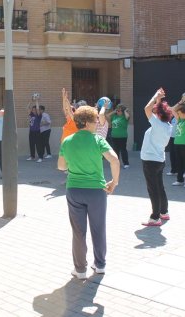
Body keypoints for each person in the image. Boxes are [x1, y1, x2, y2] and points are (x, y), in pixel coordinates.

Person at [58, 105, 120, 280]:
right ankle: (100, 265)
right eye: (94, 121)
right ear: (86, 122)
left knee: (78, 231)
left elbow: (61, 166)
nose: (96, 124)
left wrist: (75, 163)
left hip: (74, 189)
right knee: (98, 228)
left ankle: (80, 269)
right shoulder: (98, 140)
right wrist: (114, 182)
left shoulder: (67, 141)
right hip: (97, 191)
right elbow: (114, 160)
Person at [140, 88, 173, 226]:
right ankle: (163, 212)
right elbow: (154, 110)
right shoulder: (168, 125)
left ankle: (155, 217)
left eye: (156, 111)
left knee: (153, 189)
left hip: (150, 161)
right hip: (159, 160)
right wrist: (159, 100)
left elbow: (146, 108)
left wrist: (155, 96)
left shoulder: (157, 124)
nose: (154, 112)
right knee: (159, 187)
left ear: (158, 115)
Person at [107, 104, 130, 168]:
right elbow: (107, 115)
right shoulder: (114, 116)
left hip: (122, 136)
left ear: (122, 111)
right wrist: (114, 111)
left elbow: (128, 116)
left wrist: (125, 111)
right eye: (117, 110)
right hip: (114, 136)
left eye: (119, 111)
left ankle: (126, 163)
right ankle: (116, 163)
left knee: (123, 150)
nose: (117, 112)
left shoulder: (124, 117)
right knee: (115, 151)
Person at [27, 97, 43, 162]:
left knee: (38, 144)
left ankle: (40, 157)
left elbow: (38, 108)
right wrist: (31, 100)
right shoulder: (31, 115)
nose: (33, 110)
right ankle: (32, 156)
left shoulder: (39, 115)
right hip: (31, 132)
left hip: (37, 131)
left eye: (34, 110)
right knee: (31, 144)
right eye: (33, 110)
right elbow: (28, 108)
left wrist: (36, 101)